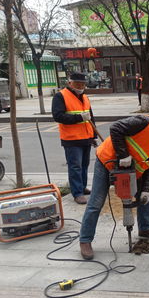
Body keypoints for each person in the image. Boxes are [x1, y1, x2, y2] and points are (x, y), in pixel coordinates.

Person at [78, 116, 149, 260]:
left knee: (145, 198)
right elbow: (115, 128)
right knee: (96, 201)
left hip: (134, 168)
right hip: (107, 160)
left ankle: (145, 228)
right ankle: (85, 240)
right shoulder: (144, 122)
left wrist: (146, 189)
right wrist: (123, 154)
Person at [52, 72, 96, 205]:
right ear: (69, 83)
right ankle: (77, 193)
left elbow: (90, 117)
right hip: (71, 139)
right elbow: (58, 116)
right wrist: (79, 118)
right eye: (77, 83)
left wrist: (93, 136)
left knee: (84, 165)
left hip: (85, 137)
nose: (80, 86)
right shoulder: (61, 96)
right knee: (75, 166)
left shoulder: (85, 97)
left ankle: (82, 187)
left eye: (82, 84)